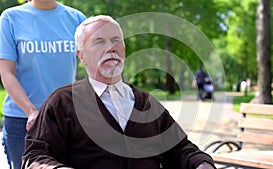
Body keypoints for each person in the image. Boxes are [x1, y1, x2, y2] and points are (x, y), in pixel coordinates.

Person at [22, 15, 216, 169]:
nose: (110, 48)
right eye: (99, 42)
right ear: (81, 55)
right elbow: (35, 156)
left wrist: (201, 164)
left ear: (123, 48)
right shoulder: (62, 102)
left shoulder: (146, 102)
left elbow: (180, 148)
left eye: (115, 40)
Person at [0, 0, 86, 168]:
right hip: (22, 121)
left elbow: (93, 63)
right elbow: (6, 72)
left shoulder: (76, 19)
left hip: (65, 119)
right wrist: (32, 112)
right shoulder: (10, 18)